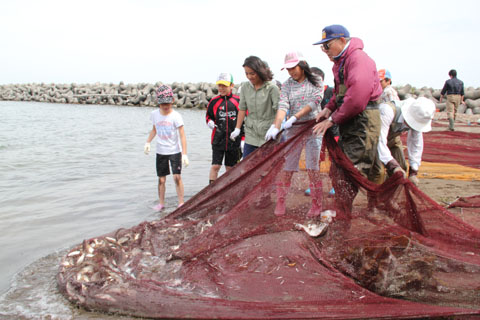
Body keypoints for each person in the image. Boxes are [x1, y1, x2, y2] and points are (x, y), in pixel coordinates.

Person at [312, 24, 383, 215]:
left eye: (327, 45)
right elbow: (340, 92)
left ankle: (342, 218)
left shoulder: (357, 59)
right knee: (361, 165)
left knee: (350, 169)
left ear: (342, 41)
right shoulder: (341, 62)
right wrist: (328, 108)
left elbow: (357, 98)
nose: (324, 51)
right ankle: (373, 206)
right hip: (351, 118)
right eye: (322, 47)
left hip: (363, 119)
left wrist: (332, 119)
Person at [265, 51, 323, 217]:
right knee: (288, 167)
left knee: (313, 167)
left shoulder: (316, 80)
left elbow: (315, 102)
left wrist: (296, 116)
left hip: (313, 127)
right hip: (294, 129)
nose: (291, 72)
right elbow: (283, 106)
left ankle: (316, 204)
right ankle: (281, 201)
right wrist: (276, 126)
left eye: (293, 68)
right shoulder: (287, 85)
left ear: (302, 65)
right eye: (288, 69)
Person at [371, 97, 436, 186]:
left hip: (393, 138)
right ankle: (375, 198)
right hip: (373, 139)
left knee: (402, 170)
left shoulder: (419, 114)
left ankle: (387, 195)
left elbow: (416, 144)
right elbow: (380, 141)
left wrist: (413, 171)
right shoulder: (388, 110)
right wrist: (393, 166)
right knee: (379, 172)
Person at [144, 85, 189, 211]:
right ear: (158, 102)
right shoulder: (154, 114)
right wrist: (148, 142)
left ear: (172, 101)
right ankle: (161, 204)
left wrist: (184, 154)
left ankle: (181, 203)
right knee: (162, 180)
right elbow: (154, 130)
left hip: (174, 151)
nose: (165, 106)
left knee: (177, 177)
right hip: (161, 151)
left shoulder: (176, 116)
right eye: (163, 103)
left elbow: (182, 135)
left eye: (168, 103)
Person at [230, 56, 280, 158]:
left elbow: (279, 110)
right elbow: (242, 108)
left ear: (260, 71)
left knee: (267, 167)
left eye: (252, 73)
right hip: (251, 133)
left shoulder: (272, 88)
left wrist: (274, 127)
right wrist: (237, 128)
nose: (249, 76)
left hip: (268, 133)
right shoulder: (245, 87)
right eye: (246, 73)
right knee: (247, 165)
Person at [205, 73, 242, 184]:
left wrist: (243, 139)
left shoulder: (238, 101)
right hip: (218, 139)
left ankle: (230, 191)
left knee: (230, 169)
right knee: (215, 166)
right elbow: (208, 116)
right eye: (219, 85)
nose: (221, 88)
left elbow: (244, 120)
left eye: (224, 86)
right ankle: (211, 191)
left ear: (231, 86)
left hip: (234, 140)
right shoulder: (214, 101)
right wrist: (210, 122)